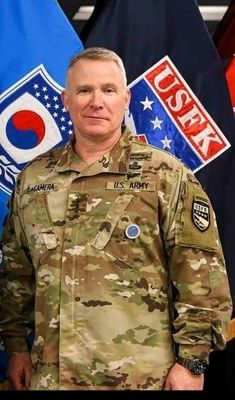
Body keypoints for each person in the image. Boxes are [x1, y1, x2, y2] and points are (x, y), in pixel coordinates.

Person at [0, 47, 232, 391]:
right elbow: (17, 272)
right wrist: (16, 348)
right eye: (84, 90)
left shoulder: (165, 175)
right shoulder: (33, 180)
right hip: (52, 378)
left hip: (141, 379)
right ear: (66, 100)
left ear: (125, 99)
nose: (97, 101)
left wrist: (192, 363)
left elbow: (201, 276)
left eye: (108, 90)